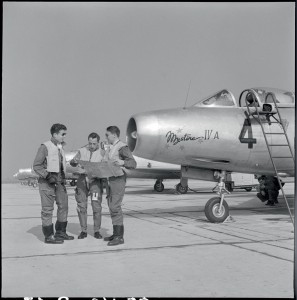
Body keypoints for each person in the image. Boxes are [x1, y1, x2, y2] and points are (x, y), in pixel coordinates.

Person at [33, 123, 74, 244]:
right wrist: (47, 176)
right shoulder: (45, 147)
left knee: (64, 207)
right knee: (47, 210)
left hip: (60, 183)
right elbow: (36, 166)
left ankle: (61, 232)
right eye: (62, 134)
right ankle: (49, 236)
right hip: (47, 183)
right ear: (55, 134)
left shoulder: (60, 148)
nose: (64, 136)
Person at [102, 126, 136, 246]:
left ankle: (119, 237)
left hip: (118, 180)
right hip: (110, 179)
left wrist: (123, 162)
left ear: (114, 135)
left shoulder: (122, 147)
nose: (106, 137)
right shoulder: (111, 148)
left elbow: (133, 163)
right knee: (112, 206)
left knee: (115, 207)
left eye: (107, 135)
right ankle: (115, 233)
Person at [70, 132, 105, 239]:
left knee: (96, 207)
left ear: (98, 143)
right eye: (90, 143)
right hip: (82, 182)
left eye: (94, 144)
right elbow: (72, 163)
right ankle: (83, 230)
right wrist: (74, 161)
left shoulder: (103, 153)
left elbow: (105, 167)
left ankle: (97, 231)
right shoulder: (81, 151)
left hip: (95, 182)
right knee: (81, 206)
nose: (91, 146)